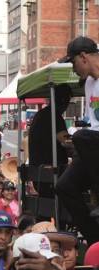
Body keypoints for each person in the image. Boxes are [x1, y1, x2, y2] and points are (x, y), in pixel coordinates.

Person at [57, 36, 99, 244]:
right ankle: (94, 240)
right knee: (64, 186)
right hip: (94, 143)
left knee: (82, 137)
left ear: (83, 57)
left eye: (73, 63)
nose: (74, 70)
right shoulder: (90, 83)